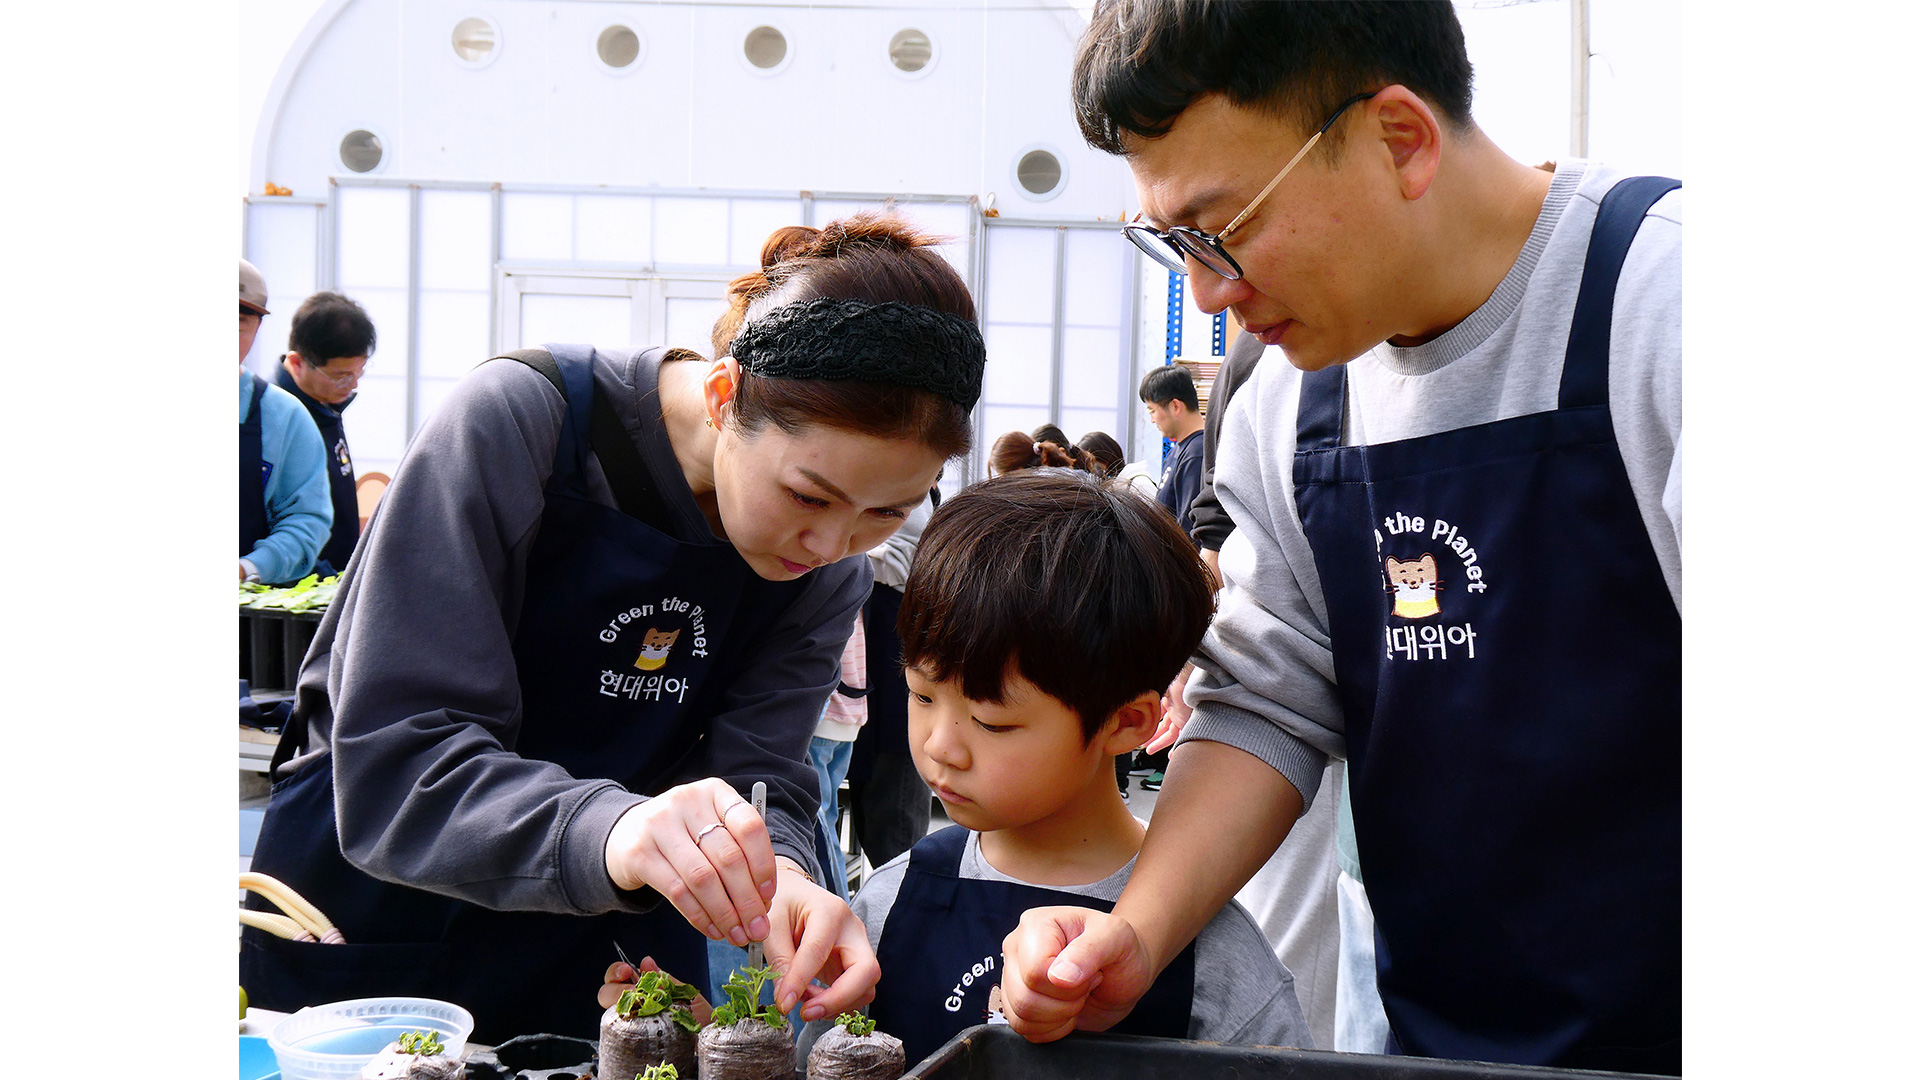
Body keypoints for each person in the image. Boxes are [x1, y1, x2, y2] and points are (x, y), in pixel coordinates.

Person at [999, 3, 1680, 1074]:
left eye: (1223, 227)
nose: (1210, 290)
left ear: (1397, 138)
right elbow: (1268, 694)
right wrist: (1134, 932)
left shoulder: (1667, 308)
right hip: (1442, 1043)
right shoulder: (1293, 401)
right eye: (1174, 242)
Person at [240, 214, 990, 1043]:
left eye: (885, 511)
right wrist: (621, 827)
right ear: (722, 394)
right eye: (807, 495)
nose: (831, 545)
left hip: (599, 940)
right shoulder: (521, 426)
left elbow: (760, 778)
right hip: (376, 906)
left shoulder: (828, 571)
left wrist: (782, 874)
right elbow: (398, 760)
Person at [798, 470, 1311, 1067]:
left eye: (992, 723)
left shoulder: (1210, 954)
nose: (941, 746)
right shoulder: (893, 901)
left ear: (1127, 723)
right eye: (921, 694)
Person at [238, 258, 332, 585]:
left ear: (256, 328)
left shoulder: (285, 417)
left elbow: (306, 521)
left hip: (249, 622)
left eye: (239, 322)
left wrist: (247, 568)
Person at [274, 290, 377, 576]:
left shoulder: (326, 404)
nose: (352, 385)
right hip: (299, 591)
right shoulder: (274, 420)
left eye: (359, 372)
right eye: (341, 376)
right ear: (296, 363)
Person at [1138, 364, 1206, 534]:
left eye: (1153, 411)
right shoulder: (1180, 450)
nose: (1152, 420)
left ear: (1175, 406)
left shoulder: (1197, 453)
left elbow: (1189, 529)